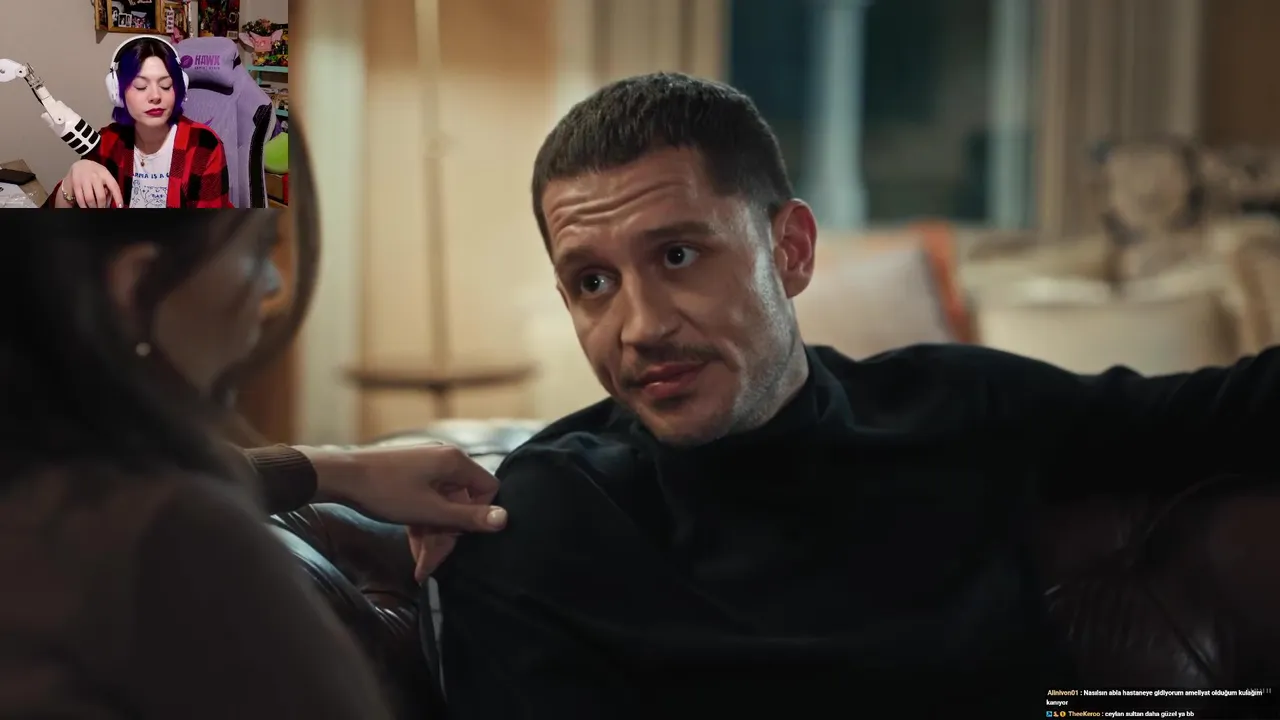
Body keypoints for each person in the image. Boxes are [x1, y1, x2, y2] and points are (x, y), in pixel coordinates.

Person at [428, 72, 1280, 716]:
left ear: (791, 251)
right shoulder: (538, 520)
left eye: (679, 256)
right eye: (593, 282)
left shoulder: (957, 406)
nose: (640, 327)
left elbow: (1237, 408)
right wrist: (341, 474)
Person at [0, 138, 500, 716]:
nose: (272, 288)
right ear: (137, 285)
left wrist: (335, 469)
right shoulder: (168, 538)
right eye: (261, 247)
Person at [44, 36, 233, 209]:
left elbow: (211, 229)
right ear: (118, 92)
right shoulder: (108, 142)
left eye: (166, 85)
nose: (156, 96)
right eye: (141, 86)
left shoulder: (204, 145)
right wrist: (69, 184)